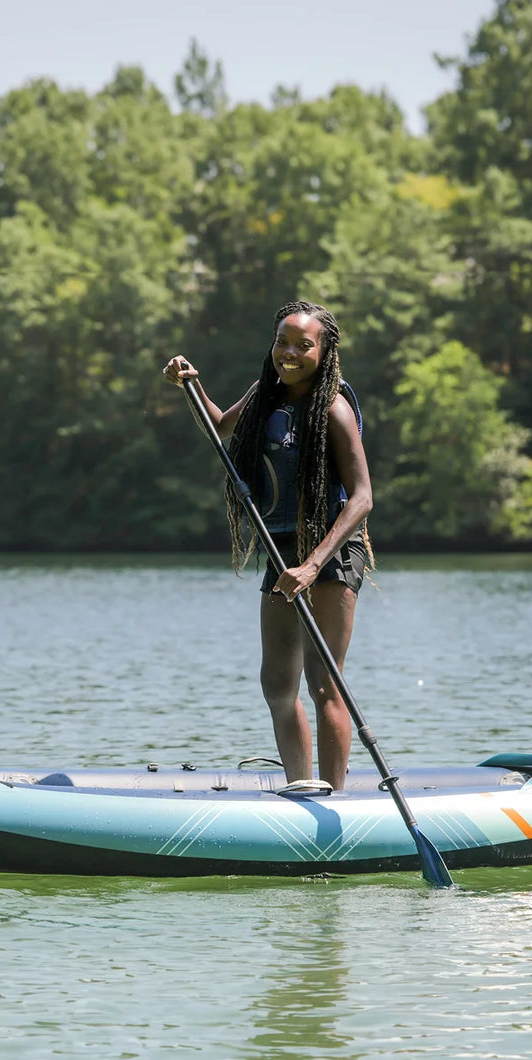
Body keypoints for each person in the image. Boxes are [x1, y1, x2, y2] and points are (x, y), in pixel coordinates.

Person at [162, 300, 374, 790]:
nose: (290, 353)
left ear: (325, 352)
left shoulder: (334, 408)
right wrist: (190, 385)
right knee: (277, 684)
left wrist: (312, 564)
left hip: (332, 551)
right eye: (283, 342)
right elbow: (219, 428)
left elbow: (362, 498)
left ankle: (336, 800)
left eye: (304, 345)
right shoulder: (264, 395)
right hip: (282, 552)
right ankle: (302, 787)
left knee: (325, 684)